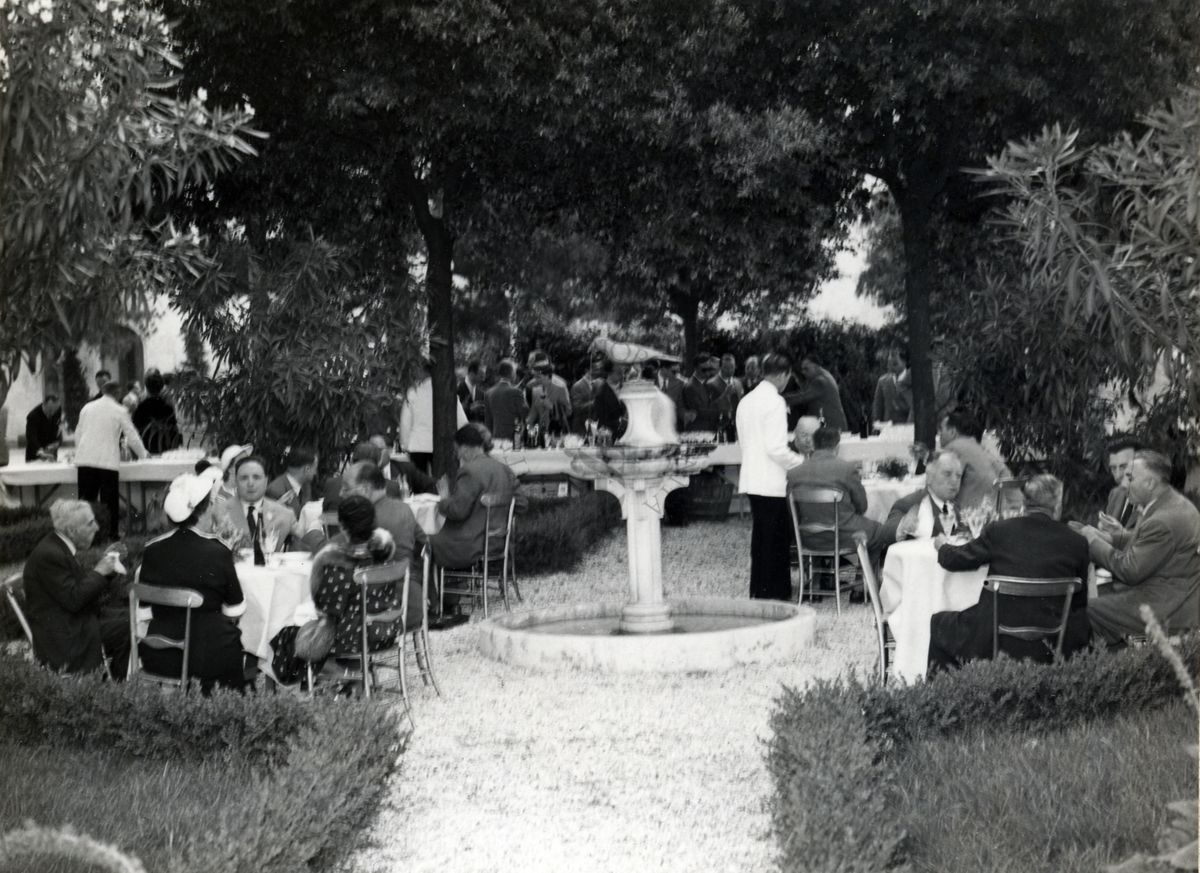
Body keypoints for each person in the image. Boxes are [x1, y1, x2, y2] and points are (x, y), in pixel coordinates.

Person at [928, 474, 1091, 673]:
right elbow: (1080, 602)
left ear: (1024, 504)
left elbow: (956, 560)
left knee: (939, 625)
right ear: (1057, 506)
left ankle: (952, 699)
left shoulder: (1000, 531)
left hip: (996, 637)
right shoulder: (1077, 542)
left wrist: (942, 547)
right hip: (1055, 639)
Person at [271, 495, 412, 686]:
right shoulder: (386, 552)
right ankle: (352, 682)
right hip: (387, 630)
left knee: (286, 634)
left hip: (353, 636)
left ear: (343, 526)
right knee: (343, 618)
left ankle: (344, 677)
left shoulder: (339, 563)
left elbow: (328, 609)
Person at [138, 473, 247, 693]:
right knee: (230, 639)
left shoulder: (151, 550)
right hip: (209, 658)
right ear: (205, 510)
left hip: (160, 655)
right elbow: (235, 610)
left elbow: (144, 614)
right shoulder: (218, 551)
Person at [1077, 450, 1200, 642]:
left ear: (1150, 483)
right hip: (1175, 595)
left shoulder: (1163, 520)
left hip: (1169, 607)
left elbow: (1129, 570)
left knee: (1087, 608)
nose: (1124, 484)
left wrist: (1092, 542)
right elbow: (1150, 541)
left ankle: (1116, 662)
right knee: (1100, 600)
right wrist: (1112, 539)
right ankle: (1121, 656)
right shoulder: (1170, 503)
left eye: (1130, 478)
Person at [22, 499, 129, 677]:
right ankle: (115, 688)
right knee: (129, 626)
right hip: (66, 637)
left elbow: (75, 590)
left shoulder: (56, 545)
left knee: (130, 615)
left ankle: (116, 680)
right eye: (90, 523)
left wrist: (106, 568)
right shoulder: (50, 554)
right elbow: (75, 599)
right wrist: (100, 571)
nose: (96, 527)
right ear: (72, 531)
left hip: (72, 621)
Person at [737, 351, 806, 601]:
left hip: (753, 477)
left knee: (762, 537)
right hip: (771, 480)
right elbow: (776, 448)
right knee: (776, 539)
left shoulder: (746, 400)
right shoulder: (775, 402)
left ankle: (759, 589)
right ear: (783, 374)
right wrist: (801, 462)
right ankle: (774, 592)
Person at [786, 426, 886, 562]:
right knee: (879, 531)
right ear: (837, 446)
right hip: (844, 535)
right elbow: (862, 507)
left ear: (814, 445)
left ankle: (818, 577)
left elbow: (793, 513)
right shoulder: (847, 469)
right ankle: (866, 577)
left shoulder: (793, 473)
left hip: (808, 539)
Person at [430, 425, 518, 571]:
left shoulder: (469, 471)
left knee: (423, 539)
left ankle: (433, 591)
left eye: (456, 451)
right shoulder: (503, 469)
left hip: (472, 544)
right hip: (500, 542)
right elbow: (521, 503)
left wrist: (444, 498)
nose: (457, 456)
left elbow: (458, 512)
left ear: (464, 448)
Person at [74, 381, 149, 540]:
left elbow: (78, 434)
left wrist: (78, 452)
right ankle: (111, 534)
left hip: (85, 459)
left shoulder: (87, 408)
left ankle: (86, 536)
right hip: (106, 461)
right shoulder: (120, 410)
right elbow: (132, 436)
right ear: (117, 393)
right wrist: (143, 454)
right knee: (109, 503)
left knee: (86, 501)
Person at [216, 454, 297, 564]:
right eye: (244, 478)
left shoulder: (285, 514)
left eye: (256, 477)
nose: (250, 483)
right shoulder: (218, 512)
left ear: (266, 481)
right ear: (236, 481)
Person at [399, 361, 469, 473]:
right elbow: (462, 421)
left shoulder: (413, 392)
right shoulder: (447, 393)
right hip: (442, 444)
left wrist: (405, 444)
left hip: (418, 444)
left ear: (422, 371)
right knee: (442, 481)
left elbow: (405, 422)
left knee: (420, 483)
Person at [881, 449, 965, 543]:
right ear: (929, 477)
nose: (954, 480)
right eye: (947, 474)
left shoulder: (960, 507)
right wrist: (902, 526)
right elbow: (886, 531)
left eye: (958, 476)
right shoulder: (910, 503)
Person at [937, 410, 1010, 512]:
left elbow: (938, 489)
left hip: (970, 518)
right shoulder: (980, 449)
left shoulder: (954, 448)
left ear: (952, 432)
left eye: (941, 429)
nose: (939, 434)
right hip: (995, 513)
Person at [784, 355, 848, 432]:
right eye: (802, 369)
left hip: (830, 427)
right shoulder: (824, 376)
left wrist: (777, 398)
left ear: (816, 366)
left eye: (806, 369)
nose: (803, 372)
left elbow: (801, 397)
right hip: (832, 426)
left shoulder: (820, 381)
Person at [1095, 435, 1141, 535]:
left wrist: (1121, 534)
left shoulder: (1154, 501)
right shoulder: (1115, 494)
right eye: (1113, 468)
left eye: (1123, 467)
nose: (1118, 475)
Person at [131, 371, 182, 454]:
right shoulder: (168, 408)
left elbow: (134, 429)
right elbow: (174, 430)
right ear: (161, 387)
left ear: (146, 387)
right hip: (166, 449)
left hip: (146, 447)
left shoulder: (141, 407)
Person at [266, 445, 319, 517]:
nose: (315, 473)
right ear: (306, 469)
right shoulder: (275, 490)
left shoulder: (306, 486)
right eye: (315, 468)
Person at [484, 359, 529, 443]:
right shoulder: (516, 392)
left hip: (495, 438)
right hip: (514, 439)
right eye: (515, 371)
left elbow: (488, 421)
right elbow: (525, 413)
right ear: (511, 373)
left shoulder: (488, 393)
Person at [872, 346, 911, 425]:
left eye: (895, 363)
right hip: (887, 429)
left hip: (908, 429)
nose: (891, 364)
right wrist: (876, 425)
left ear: (904, 362)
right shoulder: (882, 381)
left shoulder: (913, 381)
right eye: (889, 362)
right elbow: (878, 407)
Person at [682, 354, 721, 431]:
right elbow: (699, 411)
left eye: (709, 369)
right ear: (696, 368)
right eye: (704, 370)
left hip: (709, 429)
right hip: (697, 431)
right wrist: (721, 411)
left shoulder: (707, 383)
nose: (707, 373)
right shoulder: (691, 387)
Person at [591, 358, 626, 439]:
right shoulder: (601, 393)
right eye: (618, 371)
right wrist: (621, 422)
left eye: (622, 371)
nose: (622, 373)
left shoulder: (625, 388)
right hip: (609, 437)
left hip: (625, 435)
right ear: (610, 372)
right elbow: (603, 420)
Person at [570, 356, 604, 435]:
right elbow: (577, 408)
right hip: (582, 429)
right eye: (596, 369)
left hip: (599, 428)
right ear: (587, 370)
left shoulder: (602, 383)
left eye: (599, 368)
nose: (599, 371)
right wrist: (595, 402)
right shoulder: (577, 386)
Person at [25, 395, 63, 461]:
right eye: (50, 410)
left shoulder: (57, 411)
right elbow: (31, 437)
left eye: (54, 410)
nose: (52, 413)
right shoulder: (32, 416)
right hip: (35, 455)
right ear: (44, 405)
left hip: (51, 454)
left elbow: (58, 428)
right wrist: (40, 450)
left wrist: (58, 442)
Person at [457, 359, 488, 424]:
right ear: (472, 373)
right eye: (481, 375)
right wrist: (470, 409)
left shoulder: (481, 393)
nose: (484, 378)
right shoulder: (457, 390)